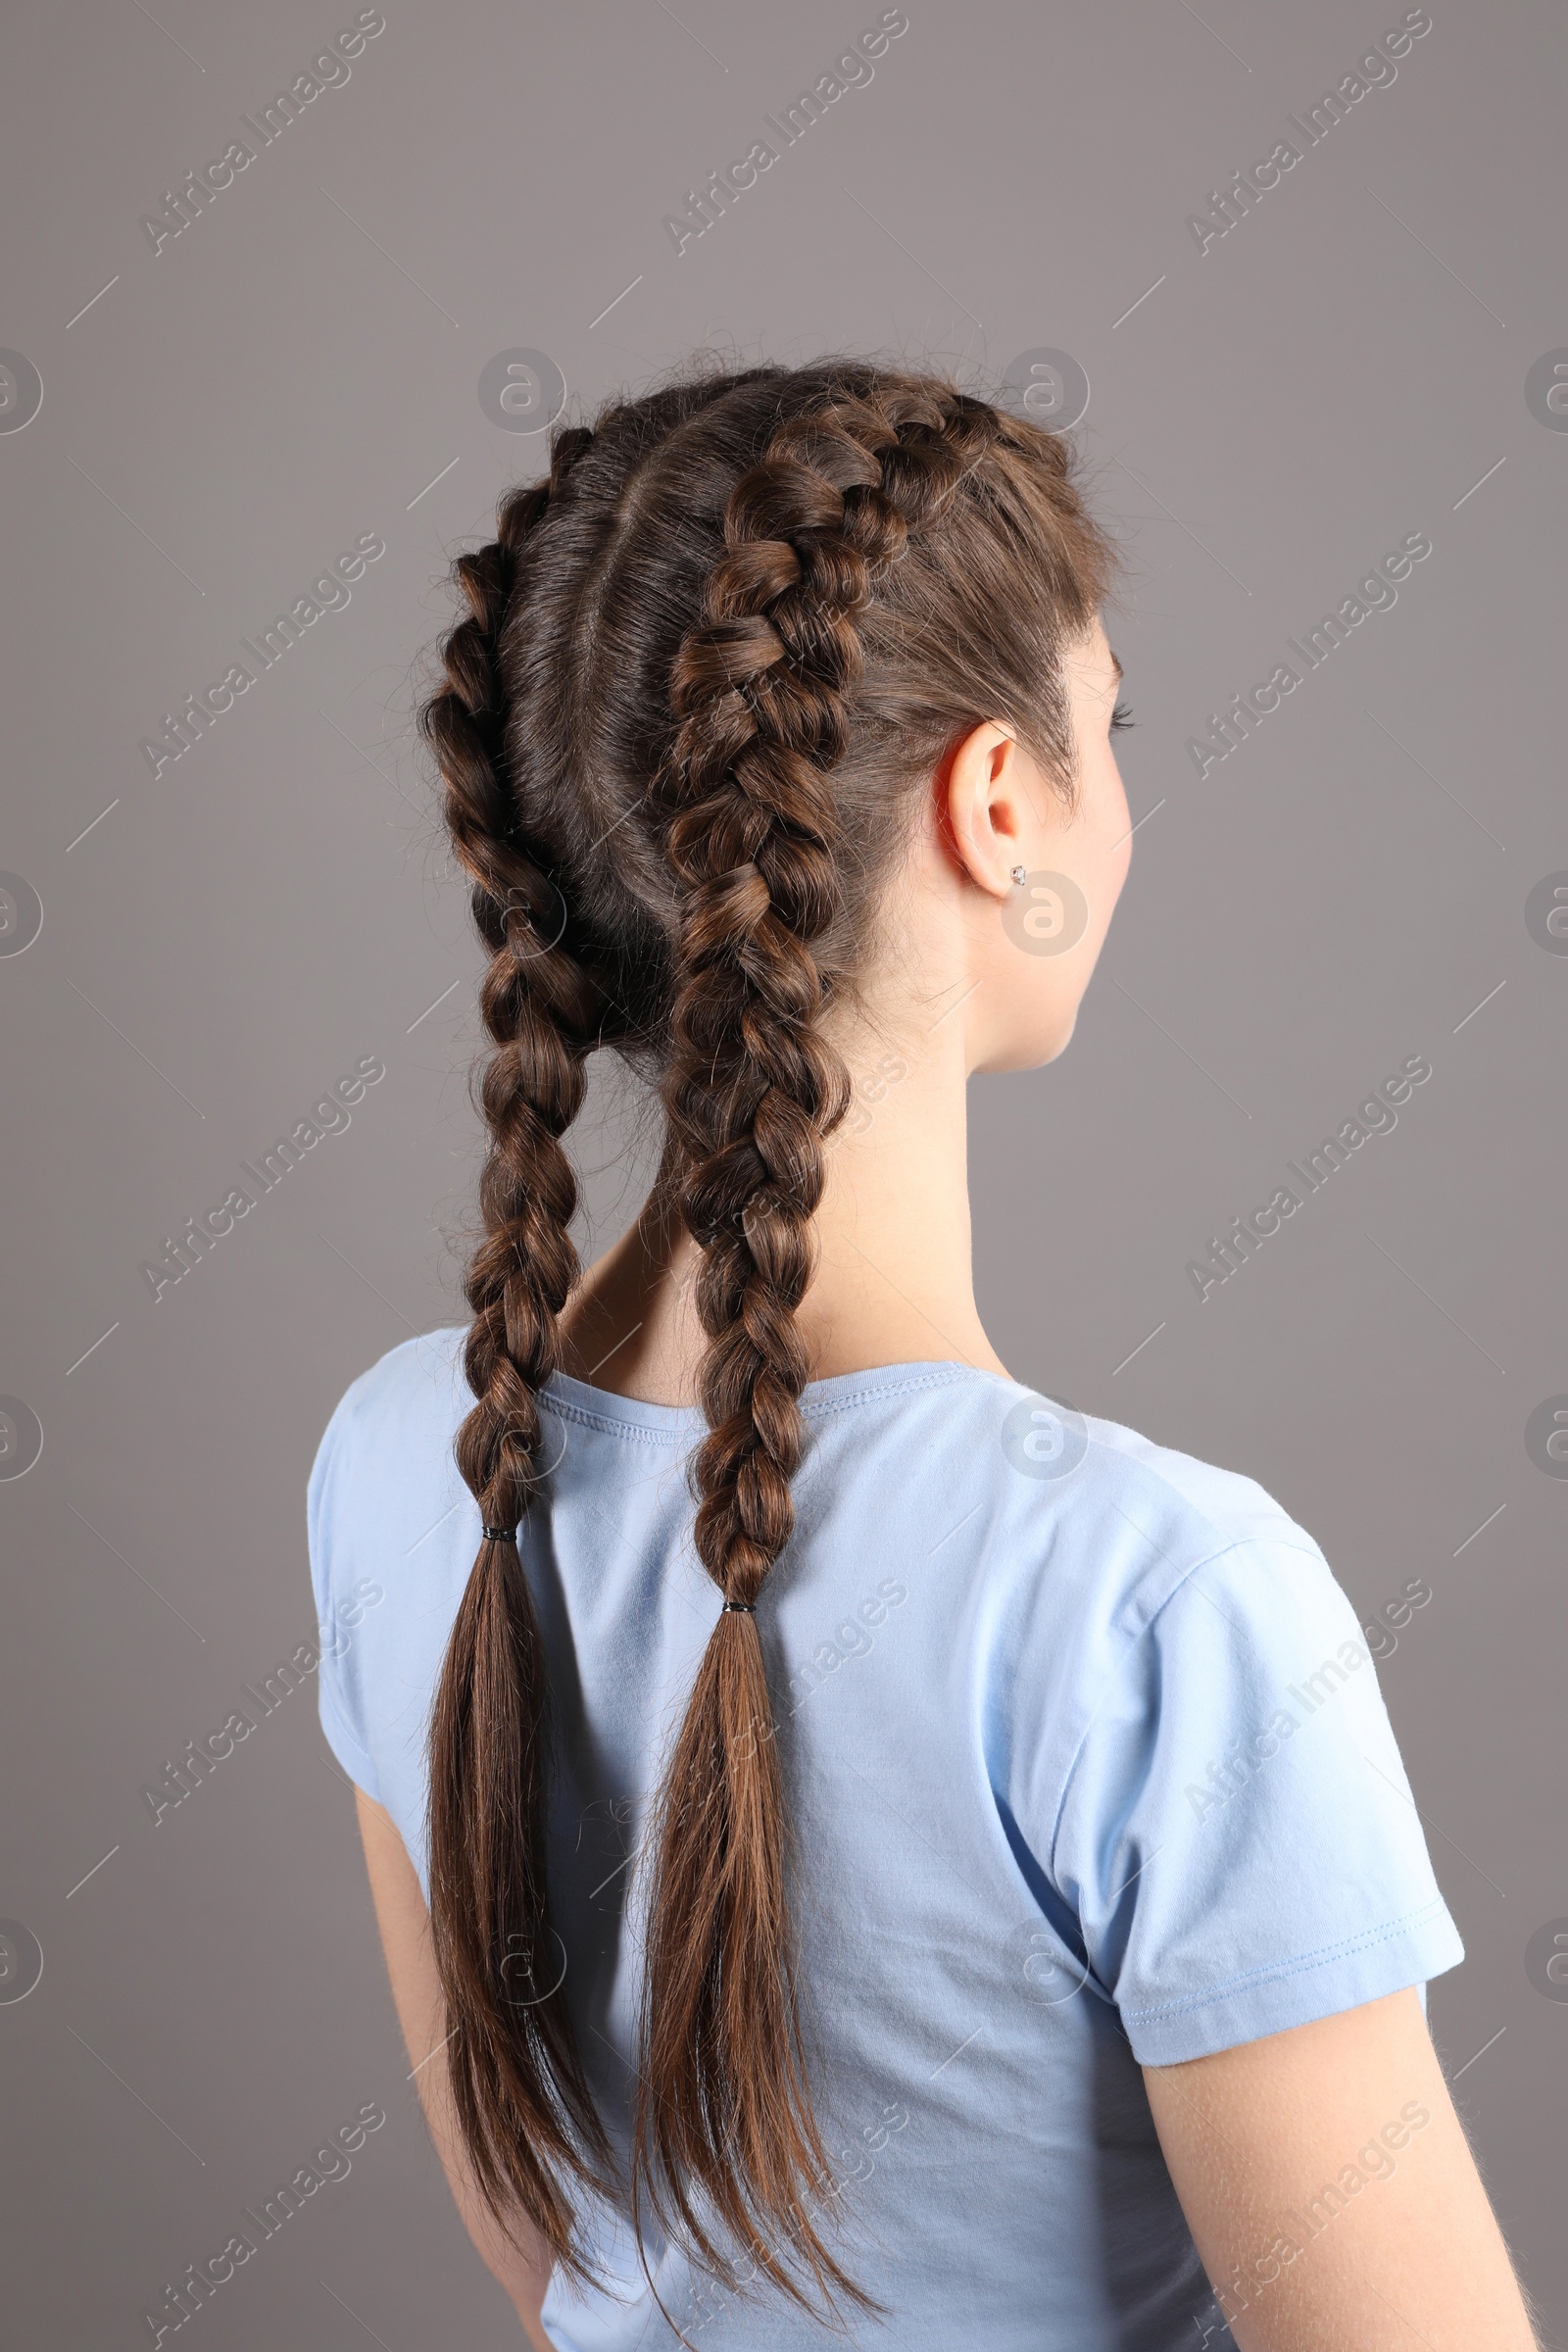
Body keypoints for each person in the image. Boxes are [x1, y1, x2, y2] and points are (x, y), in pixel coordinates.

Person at [308, 360, 1540, 2351]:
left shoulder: (397, 1468)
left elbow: (548, 2249)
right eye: (1103, 726)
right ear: (993, 803)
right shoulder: (1155, 1610)